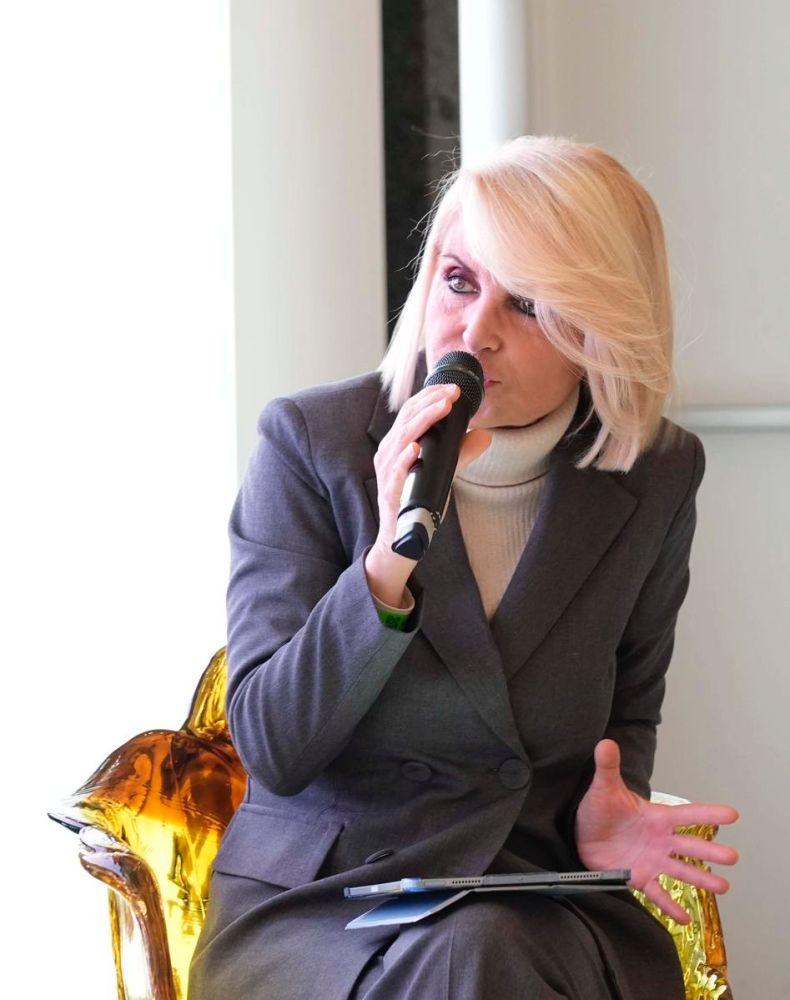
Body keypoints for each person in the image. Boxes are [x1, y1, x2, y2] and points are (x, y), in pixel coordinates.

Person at [189, 135, 739, 1000]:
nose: (475, 332)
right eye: (459, 281)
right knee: (472, 957)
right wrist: (385, 564)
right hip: (326, 907)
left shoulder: (657, 473)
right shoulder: (309, 442)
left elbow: (627, 709)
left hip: (530, 897)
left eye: (527, 304)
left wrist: (604, 813)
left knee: (483, 950)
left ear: (599, 330)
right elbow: (274, 747)